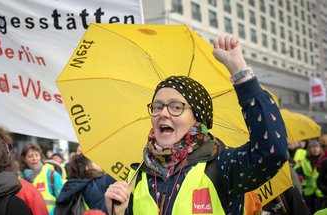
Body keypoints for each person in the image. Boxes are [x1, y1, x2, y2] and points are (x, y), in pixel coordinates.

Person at [104, 35, 288, 215]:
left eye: (176, 107)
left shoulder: (222, 166)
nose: (163, 113)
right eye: (158, 106)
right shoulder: (135, 177)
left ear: (197, 118)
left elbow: (272, 151)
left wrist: (240, 71)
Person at [19, 143, 63, 215]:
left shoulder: (52, 175)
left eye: (37, 155)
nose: (34, 159)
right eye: (30, 156)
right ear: (24, 159)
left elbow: (62, 202)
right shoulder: (20, 179)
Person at [295, 140, 325, 213]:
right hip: (308, 193)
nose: (315, 149)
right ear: (309, 149)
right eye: (312, 147)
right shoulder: (305, 160)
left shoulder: (324, 160)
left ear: (320, 148)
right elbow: (297, 171)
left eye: (317, 147)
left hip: (321, 193)